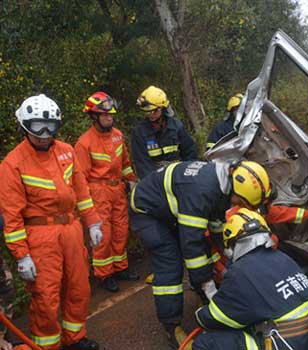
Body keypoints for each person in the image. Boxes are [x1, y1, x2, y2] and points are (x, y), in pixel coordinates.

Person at [128, 160, 271, 348]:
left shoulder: (221, 183)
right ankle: (172, 327)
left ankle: (203, 297)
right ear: (236, 190)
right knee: (170, 264)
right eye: (241, 202)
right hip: (147, 212)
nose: (239, 206)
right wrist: (207, 283)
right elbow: (191, 245)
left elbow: (215, 225)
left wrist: (227, 253)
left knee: (204, 252)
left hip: (167, 210)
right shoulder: (201, 191)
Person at [0, 94, 102, 350]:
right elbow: (11, 215)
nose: (45, 134)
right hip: (40, 237)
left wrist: (93, 222)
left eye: (50, 128)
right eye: (38, 128)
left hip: (72, 230)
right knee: (45, 297)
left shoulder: (66, 151)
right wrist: (22, 256)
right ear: (25, 126)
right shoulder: (13, 164)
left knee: (79, 288)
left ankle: (75, 339)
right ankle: (47, 346)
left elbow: (81, 191)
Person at [192, 208, 308, 350]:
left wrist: (200, 314)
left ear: (232, 244)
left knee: (205, 343)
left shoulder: (240, 271)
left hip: (285, 344)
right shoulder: (282, 258)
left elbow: (214, 318)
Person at [75, 92, 140, 293]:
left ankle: (120, 268)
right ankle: (104, 274)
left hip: (117, 189)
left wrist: (132, 181)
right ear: (94, 117)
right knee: (103, 234)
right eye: (105, 115)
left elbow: (126, 164)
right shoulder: (84, 143)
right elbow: (80, 178)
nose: (109, 118)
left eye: (111, 115)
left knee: (121, 230)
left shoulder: (118, 135)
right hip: (98, 191)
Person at [132, 86, 197, 179]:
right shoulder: (139, 132)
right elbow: (143, 165)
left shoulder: (176, 127)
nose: (150, 115)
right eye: (146, 112)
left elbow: (190, 154)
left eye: (153, 112)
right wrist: (155, 185)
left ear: (163, 109)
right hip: (155, 182)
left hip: (179, 177)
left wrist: (189, 177)